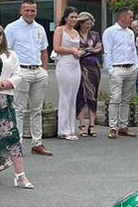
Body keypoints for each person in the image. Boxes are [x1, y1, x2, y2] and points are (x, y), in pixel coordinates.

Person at [4, 1, 51, 156]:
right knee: (18, 109)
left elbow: (44, 50)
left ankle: (37, 143)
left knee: (37, 109)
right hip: (21, 71)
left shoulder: (39, 28)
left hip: (37, 70)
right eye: (27, 10)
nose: (30, 13)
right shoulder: (11, 28)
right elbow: (7, 52)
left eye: (33, 10)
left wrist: (44, 70)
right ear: (21, 10)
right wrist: (12, 74)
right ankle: (17, 145)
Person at [0, 23, 34, 188]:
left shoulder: (11, 55)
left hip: (4, 101)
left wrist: (4, 84)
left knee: (12, 138)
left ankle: (20, 175)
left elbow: (18, 75)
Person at [102, 7, 138, 139]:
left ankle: (123, 126)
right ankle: (113, 127)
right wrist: (111, 70)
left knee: (126, 99)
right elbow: (107, 51)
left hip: (130, 68)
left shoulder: (130, 32)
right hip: (117, 68)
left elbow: (133, 49)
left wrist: (136, 66)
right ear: (123, 17)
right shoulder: (110, 32)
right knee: (115, 98)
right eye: (130, 17)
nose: (131, 20)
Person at [53, 7, 82, 140]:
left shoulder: (76, 32)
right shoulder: (60, 30)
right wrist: (72, 51)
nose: (74, 20)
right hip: (64, 64)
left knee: (73, 97)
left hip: (76, 64)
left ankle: (71, 128)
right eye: (71, 17)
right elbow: (57, 48)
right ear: (65, 18)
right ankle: (63, 129)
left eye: (76, 17)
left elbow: (79, 48)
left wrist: (79, 52)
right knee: (65, 96)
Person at [75, 11, 101, 137]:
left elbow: (99, 49)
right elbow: (75, 50)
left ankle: (92, 124)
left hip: (94, 69)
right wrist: (91, 50)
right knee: (80, 95)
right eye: (86, 24)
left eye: (90, 24)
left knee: (92, 95)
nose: (88, 26)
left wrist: (83, 51)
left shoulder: (95, 34)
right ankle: (82, 125)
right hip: (78, 67)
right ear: (80, 23)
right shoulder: (75, 35)